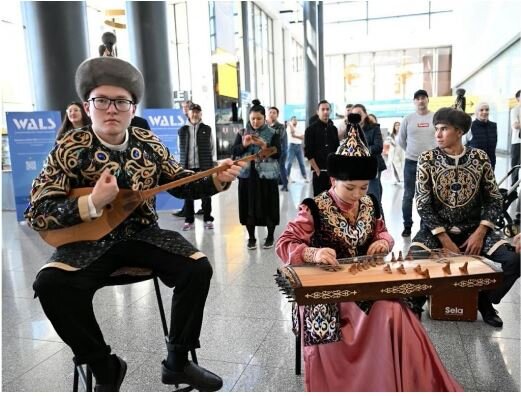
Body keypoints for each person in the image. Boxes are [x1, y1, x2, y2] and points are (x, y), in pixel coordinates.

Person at [25, 56, 244, 392]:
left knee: (196, 268)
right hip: (87, 244)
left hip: (142, 235)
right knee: (50, 286)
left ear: (132, 107)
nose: (111, 109)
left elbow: (181, 182)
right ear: (87, 106)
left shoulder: (149, 143)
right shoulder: (69, 148)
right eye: (101, 101)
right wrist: (92, 202)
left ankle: (178, 362)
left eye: (121, 102)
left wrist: (217, 178)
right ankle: (104, 365)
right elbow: (38, 211)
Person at [275, 113, 462, 392]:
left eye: (363, 187)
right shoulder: (313, 208)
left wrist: (383, 243)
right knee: (382, 315)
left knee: (395, 311)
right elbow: (284, 244)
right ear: (333, 181)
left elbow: (383, 232)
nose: (356, 194)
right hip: (328, 291)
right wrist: (312, 254)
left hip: (364, 284)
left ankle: (396, 382)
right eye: (349, 187)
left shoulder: (369, 203)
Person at [410, 107, 520, 328]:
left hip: (474, 229)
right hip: (437, 230)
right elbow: (422, 203)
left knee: (514, 261)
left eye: (444, 129)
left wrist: (480, 233)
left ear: (459, 132)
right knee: (416, 256)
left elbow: (494, 199)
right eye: (436, 129)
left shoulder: (479, 158)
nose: (437, 134)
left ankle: (484, 301)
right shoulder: (427, 159)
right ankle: (417, 301)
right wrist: (444, 239)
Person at [231, 99, 281, 250]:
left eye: (259, 118)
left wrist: (263, 146)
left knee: (269, 205)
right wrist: (244, 145)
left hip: (267, 175)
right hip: (247, 176)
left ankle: (270, 235)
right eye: (252, 118)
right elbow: (234, 152)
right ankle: (251, 237)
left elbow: (278, 153)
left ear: (264, 118)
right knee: (248, 206)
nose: (255, 121)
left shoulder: (273, 133)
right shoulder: (242, 133)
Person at [396, 89, 436, 237]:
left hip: (431, 163)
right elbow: (401, 140)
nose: (421, 101)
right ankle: (407, 225)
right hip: (411, 163)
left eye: (423, 98)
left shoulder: (435, 117)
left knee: (429, 196)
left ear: (427, 100)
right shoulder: (408, 119)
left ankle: (425, 226)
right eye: (417, 98)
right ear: (414, 101)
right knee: (408, 196)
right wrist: (412, 151)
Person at [178, 103, 216, 231]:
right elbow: (180, 149)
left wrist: (212, 164)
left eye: (197, 112)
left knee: (206, 194)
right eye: (192, 112)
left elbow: (212, 147)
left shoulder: (207, 129)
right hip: (187, 167)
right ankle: (189, 220)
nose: (195, 114)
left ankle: (208, 219)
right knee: (188, 195)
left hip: (204, 166)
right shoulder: (182, 130)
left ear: (201, 113)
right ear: (188, 113)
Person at [351, 104, 386, 204]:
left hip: (372, 167)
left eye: (359, 113)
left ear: (365, 114)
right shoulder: (351, 130)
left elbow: (378, 147)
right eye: (354, 114)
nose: (357, 116)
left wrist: (360, 150)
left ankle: (379, 219)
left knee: (374, 199)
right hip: (357, 169)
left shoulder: (374, 128)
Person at [304, 100, 339, 196]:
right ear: (317, 112)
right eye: (322, 109)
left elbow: (337, 150)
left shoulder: (333, 129)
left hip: (333, 173)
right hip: (319, 172)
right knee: (320, 202)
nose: (325, 112)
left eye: (327, 109)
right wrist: (317, 170)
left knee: (334, 201)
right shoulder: (310, 130)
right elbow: (308, 152)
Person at [173, 99, 194, 218]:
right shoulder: (186, 121)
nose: (184, 109)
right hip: (186, 156)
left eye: (186, 107)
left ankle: (188, 210)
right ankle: (186, 209)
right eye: (183, 107)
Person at [467, 102, 497, 169]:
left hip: (490, 164)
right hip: (474, 165)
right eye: (481, 110)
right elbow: (463, 145)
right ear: (476, 112)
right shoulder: (470, 126)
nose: (485, 112)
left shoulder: (494, 126)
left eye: (487, 110)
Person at [267, 106, 288, 191]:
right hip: (272, 151)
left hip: (281, 151)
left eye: (274, 113)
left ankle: (285, 185)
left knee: (281, 167)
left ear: (277, 115)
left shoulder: (280, 126)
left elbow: (279, 137)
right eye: (270, 112)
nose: (272, 114)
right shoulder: (267, 126)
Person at [286, 116, 308, 182]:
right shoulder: (289, 127)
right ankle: (287, 177)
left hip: (299, 146)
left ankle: (305, 177)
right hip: (291, 146)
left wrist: (296, 136)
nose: (295, 121)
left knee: (302, 162)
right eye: (293, 120)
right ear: (291, 121)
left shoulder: (299, 127)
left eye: (296, 120)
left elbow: (303, 137)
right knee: (289, 162)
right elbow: (292, 134)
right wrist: (290, 125)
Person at [511, 90, 521, 187]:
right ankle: (514, 188)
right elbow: (515, 125)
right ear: (518, 99)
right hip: (518, 142)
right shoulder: (515, 110)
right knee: (516, 167)